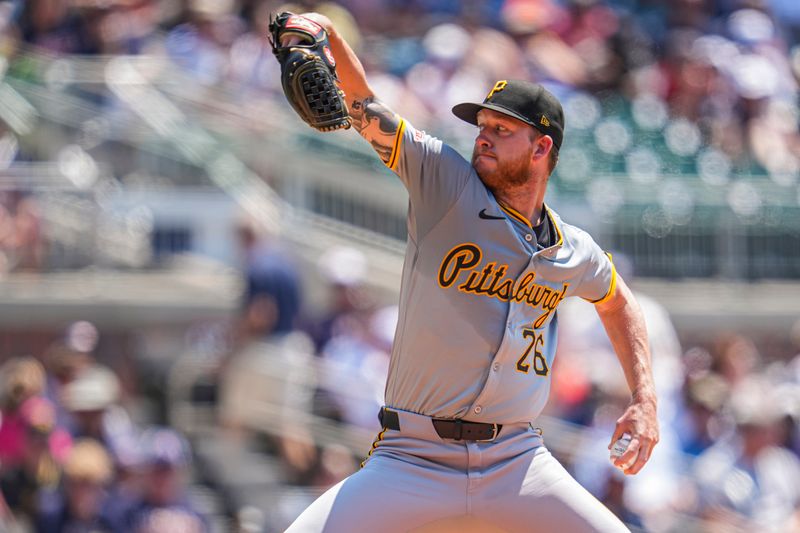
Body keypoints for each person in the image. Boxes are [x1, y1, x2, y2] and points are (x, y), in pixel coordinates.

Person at [278, 13, 659, 532]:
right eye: (481, 127)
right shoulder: (444, 184)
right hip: (411, 458)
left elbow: (618, 301)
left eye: (502, 130)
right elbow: (365, 106)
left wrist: (645, 400)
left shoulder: (574, 250)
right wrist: (331, 36)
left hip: (517, 462)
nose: (483, 138)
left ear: (541, 148)